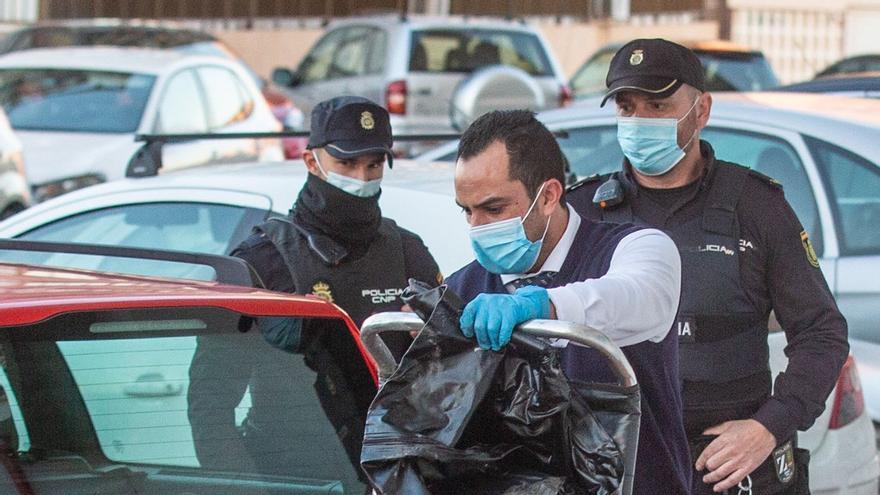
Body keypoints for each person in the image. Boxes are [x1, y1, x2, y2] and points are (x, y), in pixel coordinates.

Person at [566, 39, 849, 494]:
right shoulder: (584, 212)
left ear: (701, 110)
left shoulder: (756, 207)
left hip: (732, 470)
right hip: (621, 467)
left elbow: (821, 332)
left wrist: (768, 427)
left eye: (658, 105)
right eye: (626, 106)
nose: (639, 121)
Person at [187, 96, 442, 478]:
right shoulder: (264, 259)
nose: (361, 179)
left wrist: (432, 338)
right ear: (312, 162)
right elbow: (210, 400)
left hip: (393, 467)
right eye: (346, 163)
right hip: (292, 471)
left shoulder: (408, 251)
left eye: (373, 166)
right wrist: (241, 482)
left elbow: (452, 373)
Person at [444, 109, 691, 493]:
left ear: (548, 196)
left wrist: (543, 306)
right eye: (467, 211)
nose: (478, 228)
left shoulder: (637, 247)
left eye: (494, 209)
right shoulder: (463, 289)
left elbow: (640, 297)